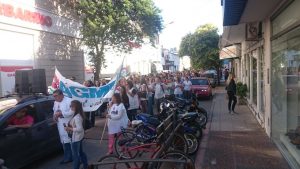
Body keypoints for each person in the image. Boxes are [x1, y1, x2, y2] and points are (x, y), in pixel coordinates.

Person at [64, 100, 88, 169]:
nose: (70, 107)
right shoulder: (78, 115)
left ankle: (76, 167)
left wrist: (69, 128)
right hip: (78, 137)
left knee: (75, 156)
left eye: (71, 106)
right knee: (80, 152)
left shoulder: (77, 117)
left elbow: (79, 129)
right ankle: (85, 165)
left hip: (76, 138)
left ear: (75, 107)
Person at [53, 89, 73, 164]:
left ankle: (75, 158)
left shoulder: (69, 101)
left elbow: (72, 111)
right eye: (54, 96)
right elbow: (54, 111)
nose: (55, 98)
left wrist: (61, 114)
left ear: (61, 95)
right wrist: (54, 117)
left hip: (69, 125)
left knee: (71, 142)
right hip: (60, 126)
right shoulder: (55, 102)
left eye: (56, 96)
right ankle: (67, 157)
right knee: (64, 142)